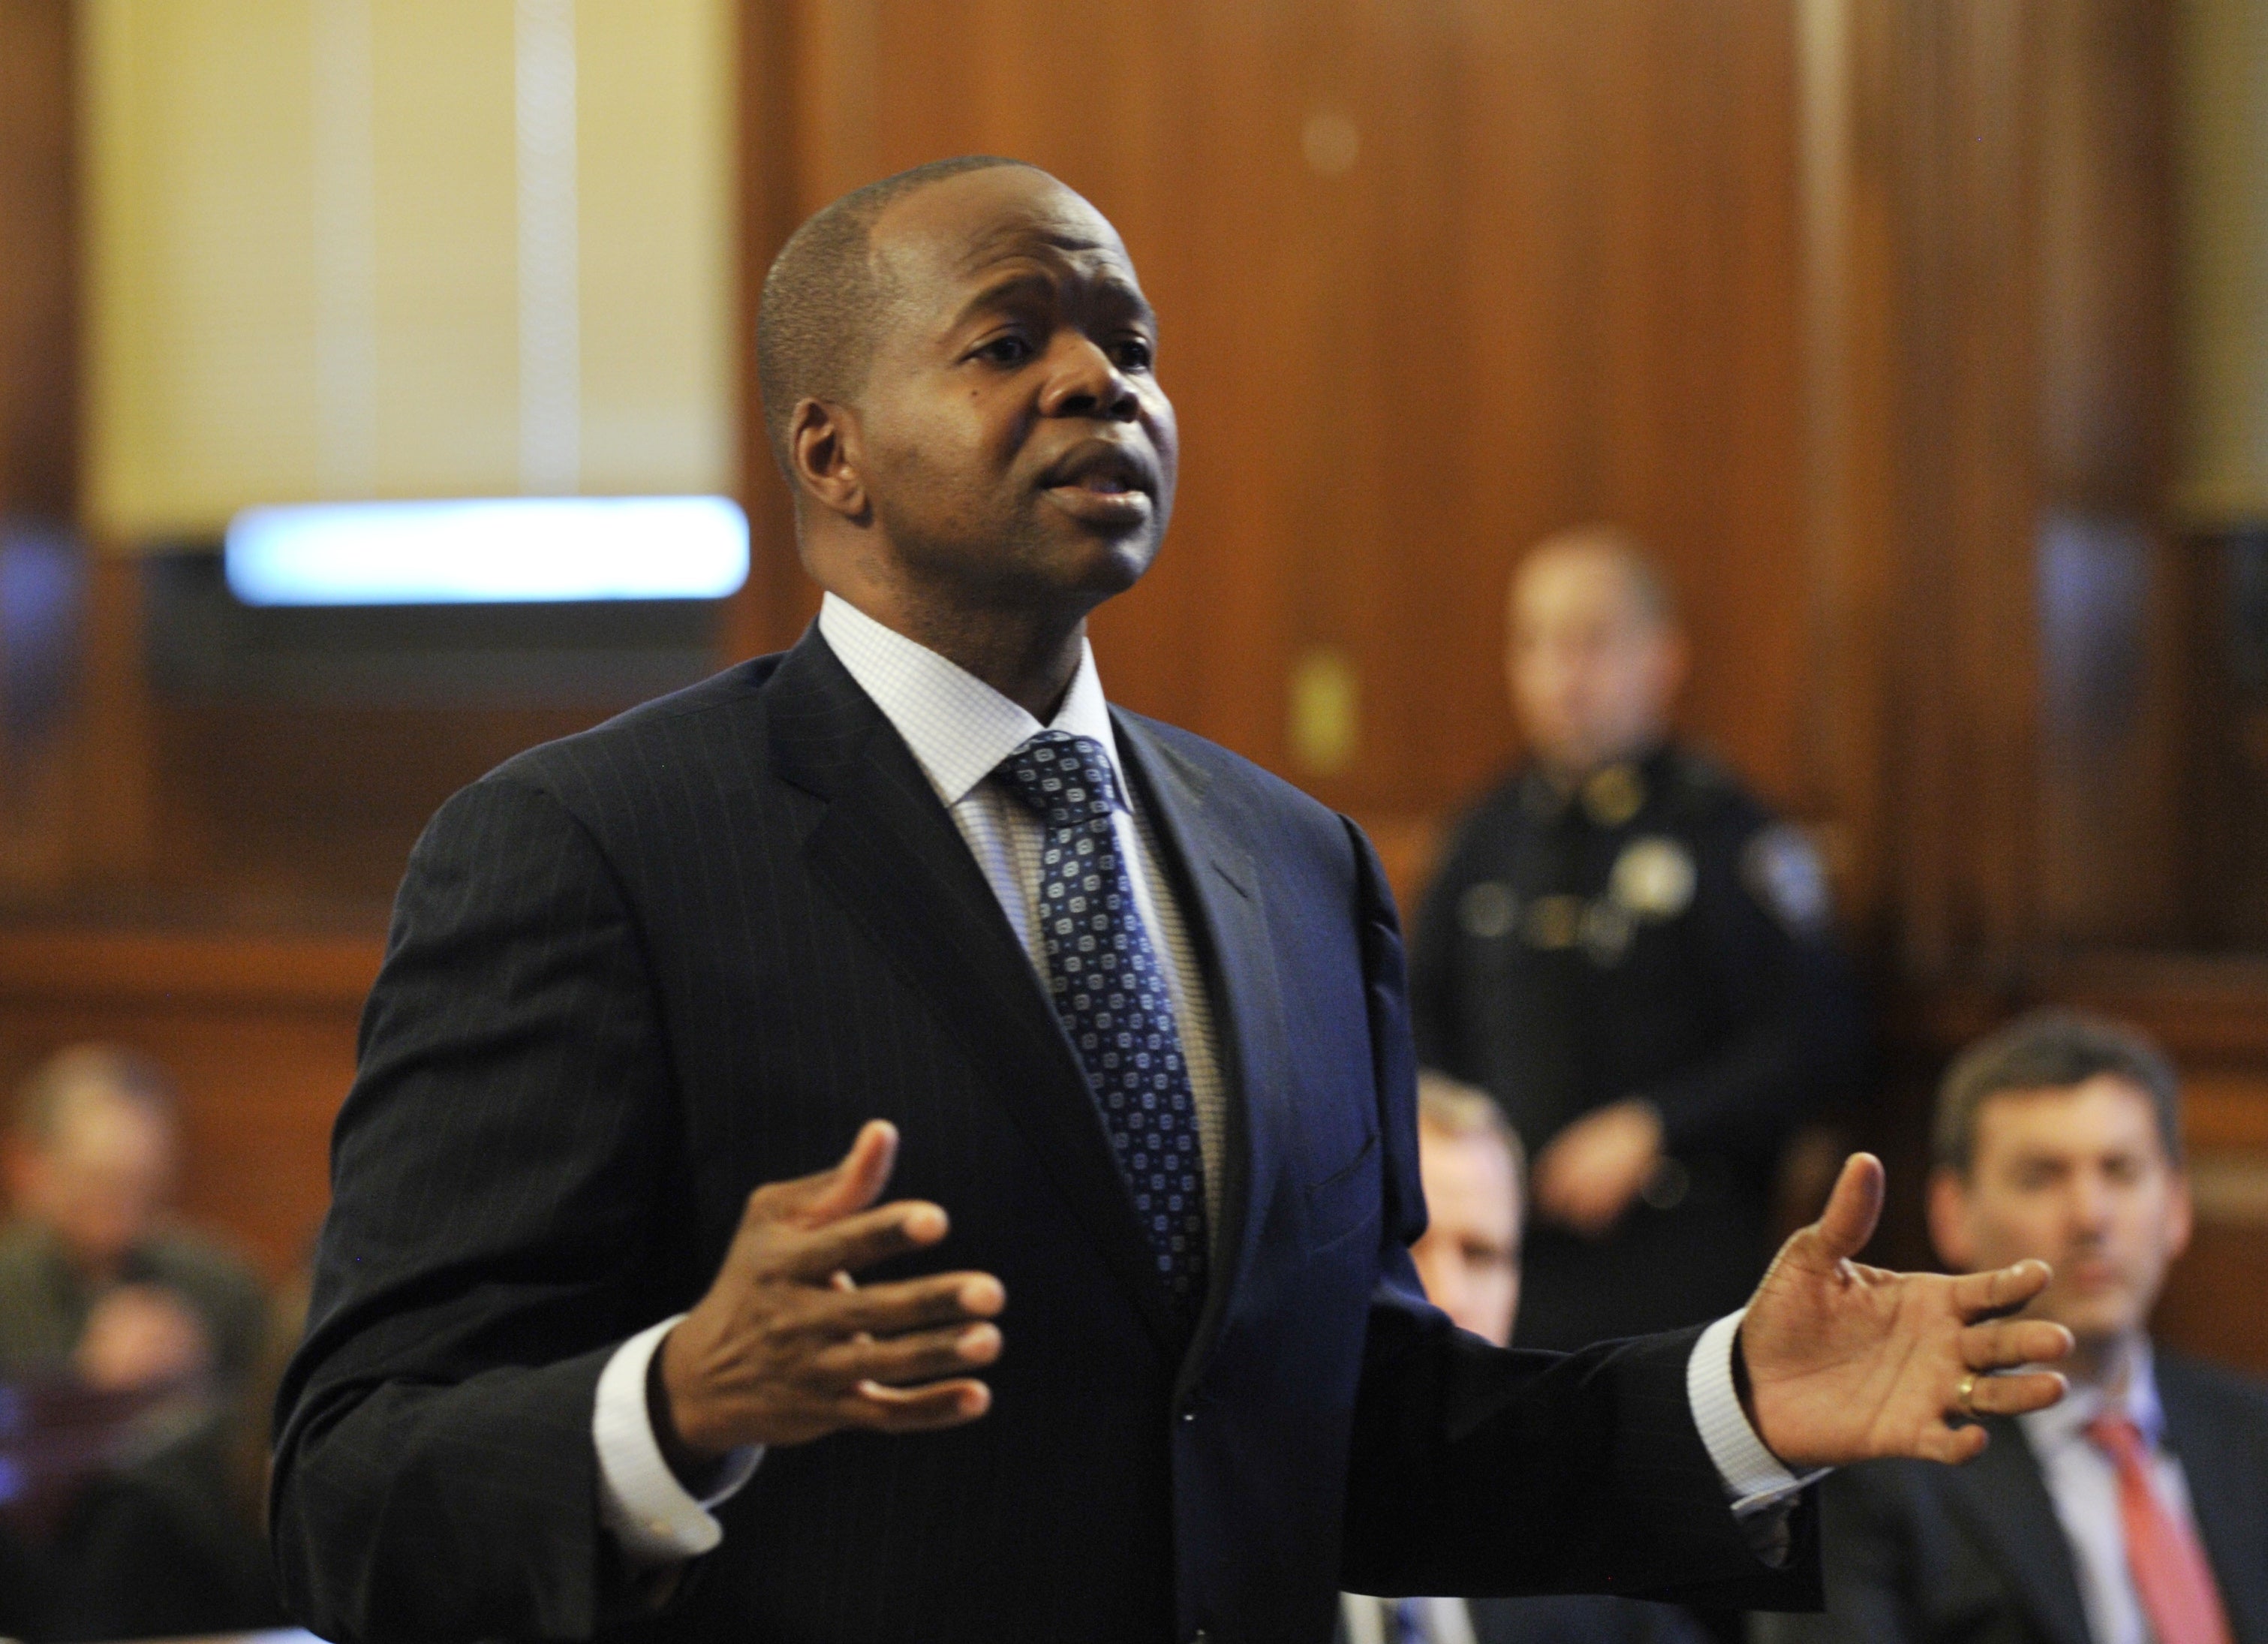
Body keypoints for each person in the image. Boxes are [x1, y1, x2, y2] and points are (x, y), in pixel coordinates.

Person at [271, 157, 2071, 1644]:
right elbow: (353, 1491)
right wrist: (677, 1400)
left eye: (1129, 343)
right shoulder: (586, 849)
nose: (1098, 382)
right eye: (1008, 341)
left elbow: (1350, 1430)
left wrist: (1730, 1400)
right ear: (830, 454)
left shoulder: (1290, 864)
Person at [1411, 528, 1865, 1351]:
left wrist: (1657, 1126)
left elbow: (1815, 1037)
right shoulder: (1485, 837)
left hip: (1676, 1245)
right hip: (1501, 1248)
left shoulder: (1724, 835)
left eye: (1591, 641)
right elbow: (1412, 1022)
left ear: (1662, 657)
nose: (1563, 673)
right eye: (1535, 643)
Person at [1755, 1012, 2268, 1644]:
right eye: (2040, 1177)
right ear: (1952, 1214)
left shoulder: (2254, 1435)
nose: (2091, 1216)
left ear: (2178, 1204)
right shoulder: (1870, 1474)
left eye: (2120, 1170)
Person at [1340, 1075, 1708, 1644]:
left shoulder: (1595, 1579)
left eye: (1481, 1255)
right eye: (1408, 1247)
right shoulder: (1236, 1545)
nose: (1448, 1295)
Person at [0, 1045, 264, 1401]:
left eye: (143, 1188)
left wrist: (197, 1383)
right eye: (99, 1183)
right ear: (28, 1167)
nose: (121, 1221)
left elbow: (266, 1411)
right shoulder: (10, 1290)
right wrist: (83, 1384)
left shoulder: (219, 1283)